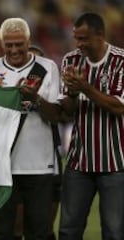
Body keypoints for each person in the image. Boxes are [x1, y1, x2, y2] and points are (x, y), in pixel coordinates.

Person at [0, 18, 61, 240]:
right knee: (0, 233)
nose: (14, 49)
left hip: (39, 166)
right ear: (1, 43)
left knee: (39, 233)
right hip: (1, 167)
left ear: (28, 41)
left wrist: (35, 98)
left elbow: (58, 115)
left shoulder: (47, 68)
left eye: (19, 44)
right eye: (9, 44)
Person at [54, 12, 124, 240]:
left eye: (84, 38)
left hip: (115, 162)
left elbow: (118, 107)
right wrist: (72, 95)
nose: (79, 44)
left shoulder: (120, 61)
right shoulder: (71, 60)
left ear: (100, 35)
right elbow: (68, 112)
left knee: (114, 232)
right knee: (68, 230)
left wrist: (84, 87)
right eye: (77, 38)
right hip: (78, 161)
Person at [13, 45, 63, 240]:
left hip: (48, 160)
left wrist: (38, 99)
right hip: (17, 162)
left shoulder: (51, 82)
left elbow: (61, 114)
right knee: (16, 225)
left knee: (44, 227)